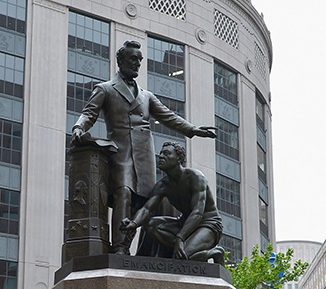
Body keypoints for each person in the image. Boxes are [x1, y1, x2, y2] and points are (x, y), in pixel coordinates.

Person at [71, 40, 216, 254]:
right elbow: (89, 113)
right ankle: (120, 248)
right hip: (121, 153)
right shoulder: (105, 89)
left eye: (140, 60)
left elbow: (169, 117)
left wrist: (192, 130)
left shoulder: (146, 96)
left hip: (145, 156)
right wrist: (78, 127)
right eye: (132, 58)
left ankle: (147, 252)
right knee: (124, 194)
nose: (137, 63)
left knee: (147, 203)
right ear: (120, 60)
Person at [120, 141, 224, 263]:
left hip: (208, 224)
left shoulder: (195, 177)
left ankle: (215, 253)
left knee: (184, 258)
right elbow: (147, 209)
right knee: (151, 224)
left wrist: (180, 238)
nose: (161, 156)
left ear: (179, 158)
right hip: (183, 224)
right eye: (160, 154)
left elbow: (197, 212)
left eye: (166, 154)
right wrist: (133, 223)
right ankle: (186, 247)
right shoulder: (163, 185)